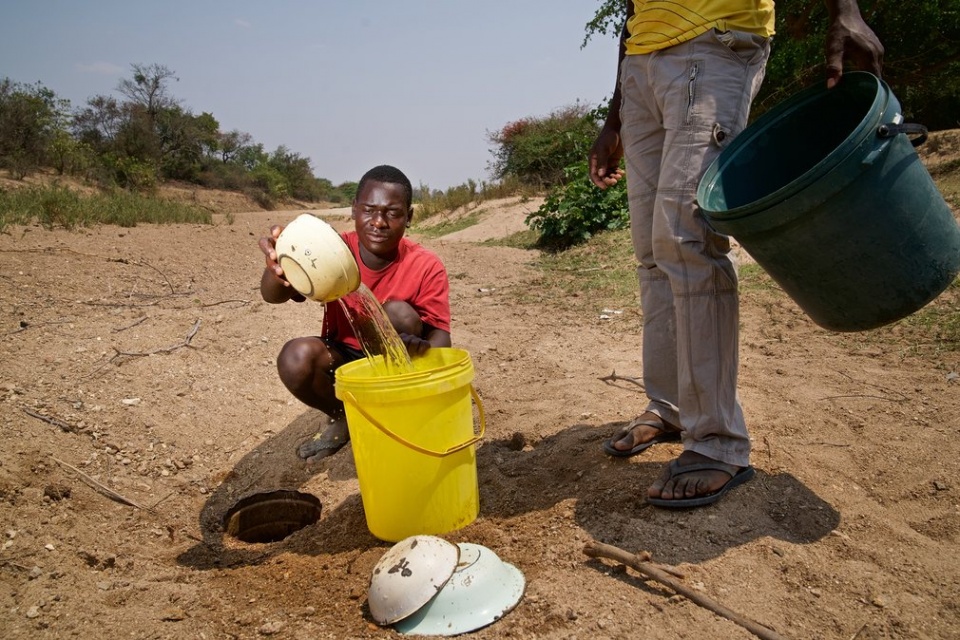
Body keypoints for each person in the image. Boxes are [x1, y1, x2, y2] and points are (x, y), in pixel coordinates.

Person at [588, 1, 883, 507]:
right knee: (653, 254)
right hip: (641, 66)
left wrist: (845, 8)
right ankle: (672, 406)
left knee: (688, 241)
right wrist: (615, 114)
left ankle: (718, 443)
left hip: (716, 42)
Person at [258, 164, 452, 461]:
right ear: (354, 209)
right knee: (295, 358)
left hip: (397, 363)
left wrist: (422, 351)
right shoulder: (331, 252)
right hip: (344, 360)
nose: (379, 222)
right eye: (369, 210)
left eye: (392, 212)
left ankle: (395, 413)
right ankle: (343, 417)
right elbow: (273, 295)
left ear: (409, 217)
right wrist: (278, 260)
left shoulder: (426, 265)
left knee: (398, 313)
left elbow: (442, 338)